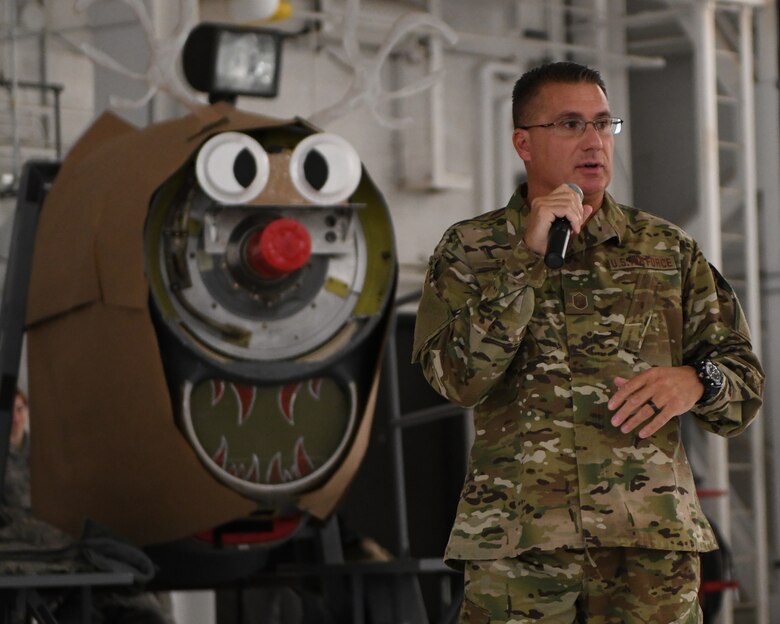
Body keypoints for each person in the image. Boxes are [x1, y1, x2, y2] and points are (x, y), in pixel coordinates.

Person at [412, 61, 764, 623]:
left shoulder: (666, 249)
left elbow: (744, 382)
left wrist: (697, 379)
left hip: (649, 544)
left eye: (603, 123)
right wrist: (525, 261)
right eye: (571, 124)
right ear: (524, 143)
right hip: (519, 545)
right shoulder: (472, 248)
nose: (594, 140)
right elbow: (456, 379)